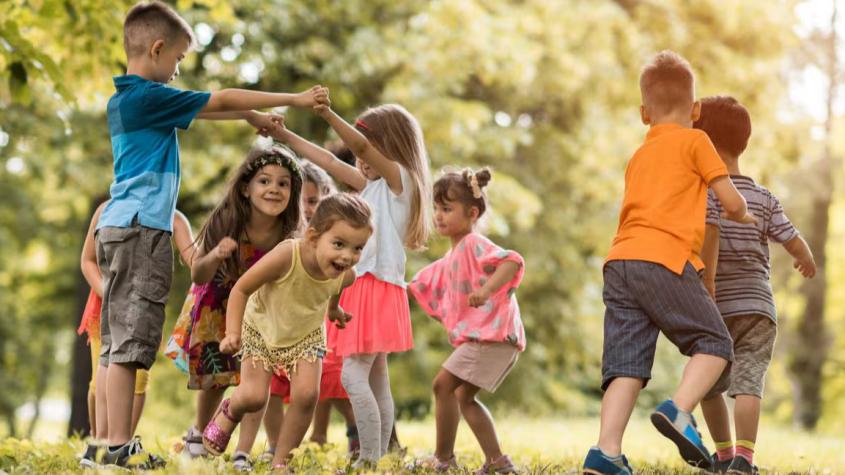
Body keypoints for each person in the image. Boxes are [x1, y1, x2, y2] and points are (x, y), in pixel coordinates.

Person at [92, 0, 326, 467]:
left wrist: (248, 119)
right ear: (157, 49)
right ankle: (116, 446)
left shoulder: (128, 101)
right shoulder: (148, 96)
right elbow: (218, 99)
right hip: (142, 230)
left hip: (120, 226)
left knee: (119, 342)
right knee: (133, 344)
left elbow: (209, 111)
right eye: (177, 59)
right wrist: (293, 100)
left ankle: (107, 443)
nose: (179, 70)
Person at [581, 50, 757, 475]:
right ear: (696, 111)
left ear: (644, 113)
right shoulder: (696, 141)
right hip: (666, 258)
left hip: (620, 261)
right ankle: (679, 409)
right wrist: (745, 214)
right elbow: (730, 201)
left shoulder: (639, 154)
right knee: (715, 345)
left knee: (625, 364)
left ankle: (605, 452)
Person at [272, 99, 431, 466]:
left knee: (352, 374)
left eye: (368, 147)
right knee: (376, 379)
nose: (360, 157)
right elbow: (329, 162)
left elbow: (359, 148)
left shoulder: (400, 182)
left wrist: (326, 113)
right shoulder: (373, 186)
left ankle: (369, 458)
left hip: (374, 287)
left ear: (389, 147)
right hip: (369, 288)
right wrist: (283, 135)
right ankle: (380, 456)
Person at [202, 193, 373, 471]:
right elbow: (241, 288)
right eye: (339, 244)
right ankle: (230, 409)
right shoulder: (287, 254)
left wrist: (333, 310)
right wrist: (232, 333)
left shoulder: (346, 273)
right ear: (314, 237)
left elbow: (337, 287)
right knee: (255, 396)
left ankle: (281, 462)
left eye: (357, 248)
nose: (347, 256)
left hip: (306, 336)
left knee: (306, 396)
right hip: (262, 328)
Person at [694, 96, 816, 474]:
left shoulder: (704, 193)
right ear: (742, 142)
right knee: (749, 382)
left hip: (714, 306)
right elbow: (792, 239)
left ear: (704, 144)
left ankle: (725, 454)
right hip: (758, 308)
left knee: (709, 385)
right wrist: (806, 258)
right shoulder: (763, 198)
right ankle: (745, 458)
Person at [164, 145, 303, 471]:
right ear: (245, 187)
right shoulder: (228, 220)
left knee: (257, 380)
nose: (274, 189)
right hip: (217, 302)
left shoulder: (289, 231)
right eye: (264, 181)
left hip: (261, 309)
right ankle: (198, 435)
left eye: (284, 184)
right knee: (217, 376)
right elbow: (198, 273)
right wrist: (214, 255)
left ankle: (242, 448)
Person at [408, 168, 525, 473]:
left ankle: (444, 459)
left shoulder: (474, 244)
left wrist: (486, 290)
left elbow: (512, 261)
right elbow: (423, 283)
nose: (438, 215)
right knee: (462, 396)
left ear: (472, 213)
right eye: (436, 208)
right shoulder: (453, 255)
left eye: (447, 209)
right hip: (491, 339)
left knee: (442, 385)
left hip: (493, 337)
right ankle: (498, 461)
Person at [78, 201, 195, 468]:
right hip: (104, 310)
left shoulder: (172, 216)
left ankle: (121, 445)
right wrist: (109, 294)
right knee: (100, 380)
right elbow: (87, 261)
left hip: (141, 309)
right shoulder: (106, 210)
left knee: (137, 378)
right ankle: (98, 445)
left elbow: (194, 257)